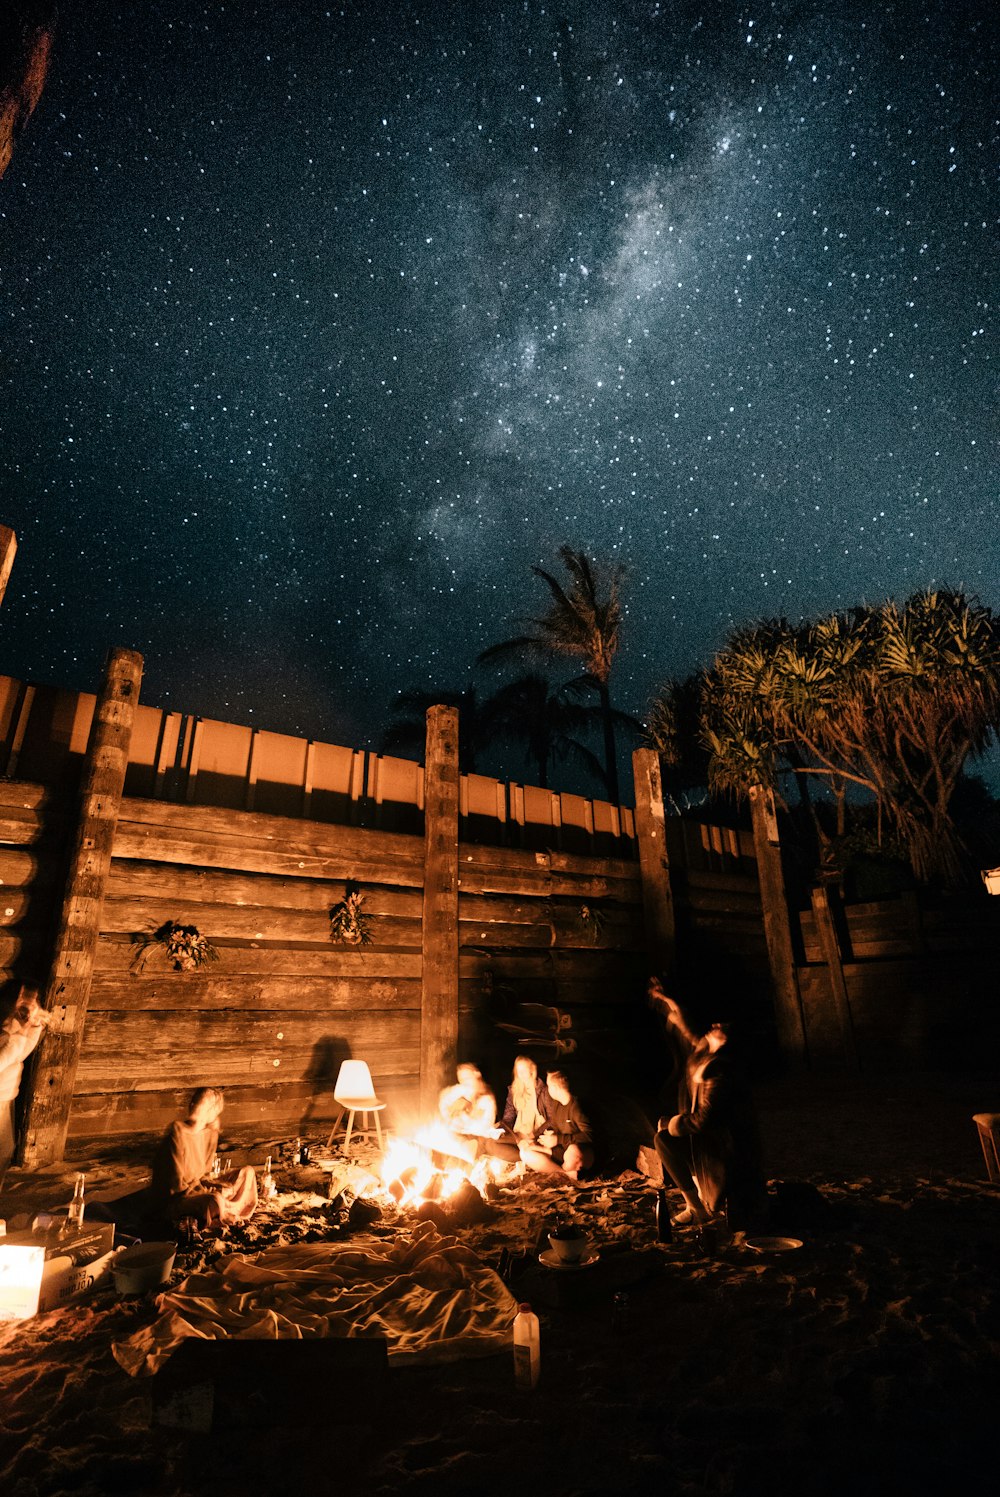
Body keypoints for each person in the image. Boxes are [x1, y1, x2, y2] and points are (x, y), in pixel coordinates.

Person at [648, 977, 764, 1228]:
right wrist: (666, 1000)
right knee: (663, 1141)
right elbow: (687, 1030)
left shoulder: (720, 1072)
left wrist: (672, 1123)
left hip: (721, 1150)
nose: (714, 1025)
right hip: (704, 1141)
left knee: (665, 1136)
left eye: (721, 1026)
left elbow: (703, 1120)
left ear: (728, 1038)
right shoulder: (705, 1053)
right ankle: (695, 1207)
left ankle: (703, 1203)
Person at [150, 1086, 258, 1230]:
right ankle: (223, 1211)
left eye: (200, 1103)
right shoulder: (177, 1134)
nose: (193, 1105)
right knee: (214, 1200)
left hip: (197, 1189)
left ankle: (224, 1209)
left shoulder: (210, 1134)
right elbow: (174, 1188)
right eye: (194, 1101)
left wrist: (217, 1186)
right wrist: (212, 1192)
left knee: (247, 1172)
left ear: (211, 1113)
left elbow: (204, 1176)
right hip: (176, 1200)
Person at [0, 985, 50, 1178]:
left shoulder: (16, 1031)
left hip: (5, 1099)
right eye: (26, 1003)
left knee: (4, 1152)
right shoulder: (6, 1033)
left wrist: (35, 1027)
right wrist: (22, 1033)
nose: (29, 1011)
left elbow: (22, 1051)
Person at [518, 1068, 594, 1181]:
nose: (548, 1089)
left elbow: (589, 1135)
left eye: (548, 1086)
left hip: (579, 1152)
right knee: (525, 1152)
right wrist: (534, 1138)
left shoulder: (576, 1108)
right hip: (560, 1151)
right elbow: (552, 1123)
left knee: (573, 1151)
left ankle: (566, 1171)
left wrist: (558, 1139)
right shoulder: (557, 1105)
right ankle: (565, 1174)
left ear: (555, 1088)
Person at [436, 1062, 511, 1163]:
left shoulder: (487, 1098)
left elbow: (484, 1127)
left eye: (467, 1078)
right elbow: (444, 1099)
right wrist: (448, 1117)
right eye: (461, 1079)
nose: (464, 1082)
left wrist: (465, 1118)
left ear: (476, 1074)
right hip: (460, 1133)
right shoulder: (461, 1090)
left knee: (471, 1148)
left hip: (478, 1138)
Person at [501, 1055, 549, 1147]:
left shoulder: (543, 1090)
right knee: (492, 1142)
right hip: (518, 1134)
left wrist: (535, 1134)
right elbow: (508, 1117)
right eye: (519, 1071)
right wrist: (501, 1131)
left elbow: (551, 1119)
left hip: (538, 1134)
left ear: (532, 1069)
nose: (521, 1073)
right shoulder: (514, 1090)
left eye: (524, 1069)